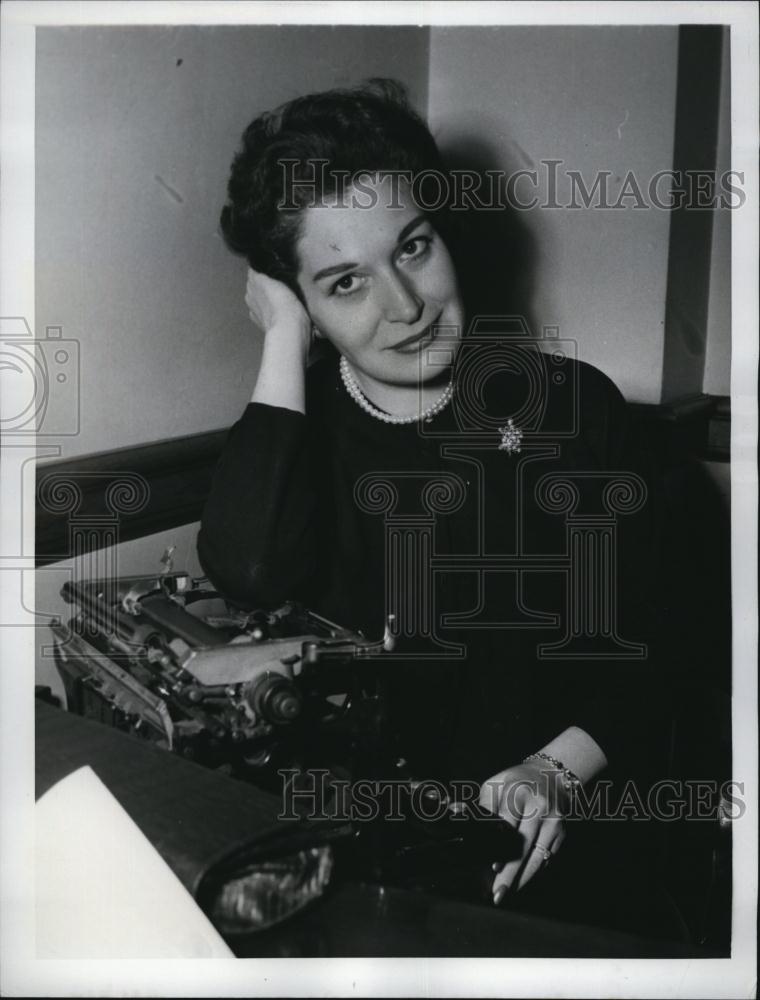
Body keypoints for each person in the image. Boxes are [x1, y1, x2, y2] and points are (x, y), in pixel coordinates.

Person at [199, 79, 676, 933]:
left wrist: (554, 772)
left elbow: (658, 645)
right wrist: (280, 339)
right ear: (302, 302)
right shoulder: (298, 435)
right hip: (363, 870)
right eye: (345, 283)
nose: (406, 305)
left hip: (563, 854)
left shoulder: (577, 411)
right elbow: (249, 570)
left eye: (413, 248)